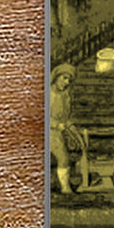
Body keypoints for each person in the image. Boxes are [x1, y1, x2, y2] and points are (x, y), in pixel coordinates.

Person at [49, 62, 85, 193]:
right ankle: (65, 188)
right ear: (56, 77)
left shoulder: (65, 94)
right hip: (49, 131)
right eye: (64, 78)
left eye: (69, 80)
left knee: (79, 146)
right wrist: (56, 125)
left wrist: (70, 126)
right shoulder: (48, 93)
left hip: (61, 129)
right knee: (63, 157)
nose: (66, 82)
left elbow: (66, 116)